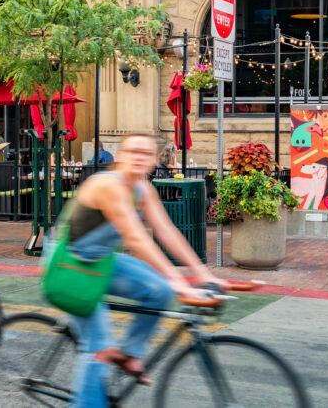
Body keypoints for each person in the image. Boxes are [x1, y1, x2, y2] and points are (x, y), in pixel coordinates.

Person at [48, 133, 228, 405]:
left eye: (145, 154)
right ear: (120, 156)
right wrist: (179, 281)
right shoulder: (108, 185)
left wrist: (203, 274)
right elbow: (135, 238)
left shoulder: (143, 190)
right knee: (98, 349)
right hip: (70, 265)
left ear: (155, 161)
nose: (138, 157)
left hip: (101, 260)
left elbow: (166, 231)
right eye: (132, 151)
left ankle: (129, 355)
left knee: (158, 290)